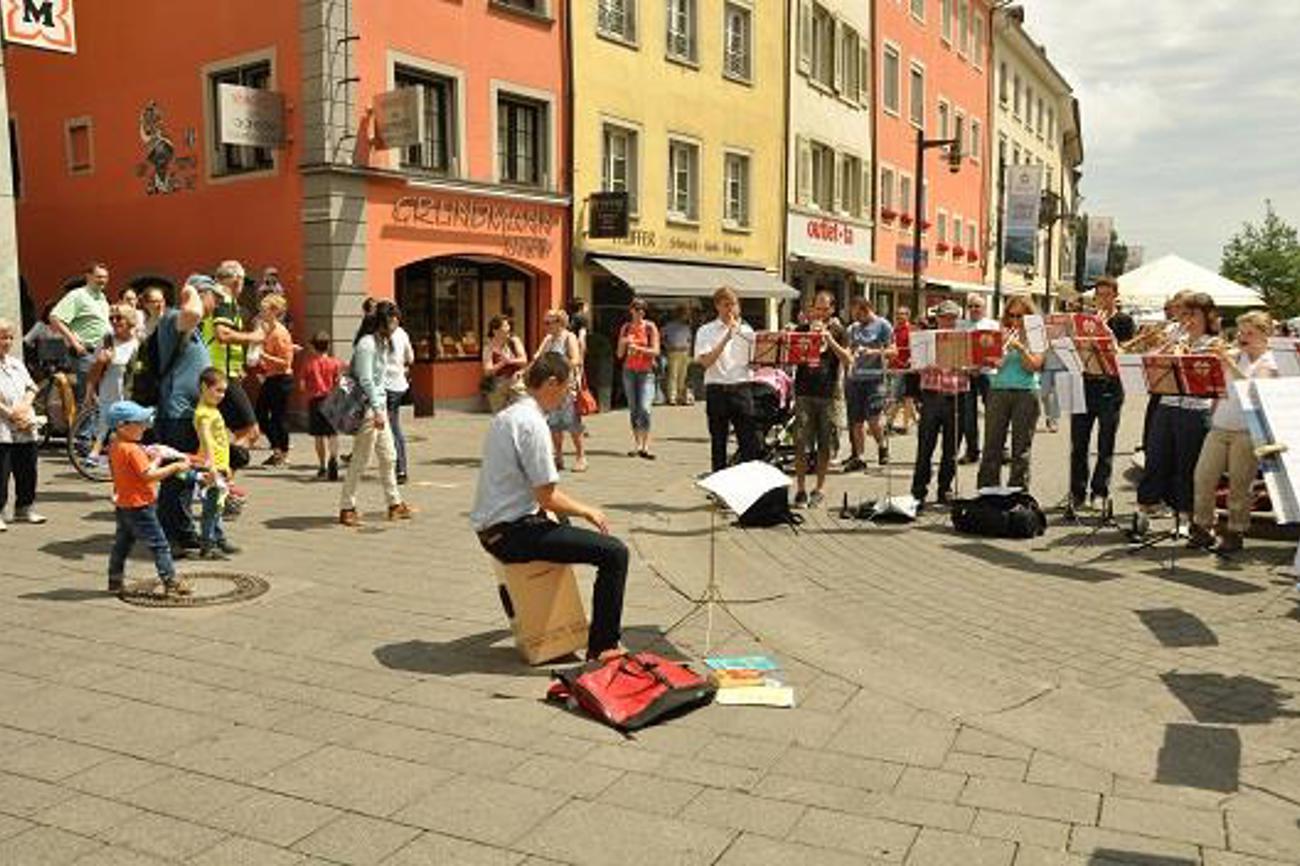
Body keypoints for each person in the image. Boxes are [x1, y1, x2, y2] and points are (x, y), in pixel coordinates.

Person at [471, 351, 628, 661]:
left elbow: (539, 495)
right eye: (569, 388)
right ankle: (603, 646)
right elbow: (547, 497)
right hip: (511, 535)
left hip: (492, 527)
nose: (570, 394)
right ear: (552, 383)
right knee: (614, 553)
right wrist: (588, 510)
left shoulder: (509, 414)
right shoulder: (534, 425)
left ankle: (558, 622)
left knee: (563, 525)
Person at [1190, 311, 1277, 553]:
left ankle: (1236, 532)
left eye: (1250, 333)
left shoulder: (1269, 362)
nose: (1243, 337)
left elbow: (1252, 389)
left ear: (1265, 335)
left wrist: (1227, 362)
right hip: (1219, 426)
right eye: (1241, 332)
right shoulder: (1235, 355)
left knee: (1240, 485)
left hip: (1246, 431)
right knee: (1203, 477)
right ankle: (1204, 527)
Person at [1135, 292, 1221, 534]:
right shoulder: (1177, 338)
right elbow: (1150, 364)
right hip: (1167, 405)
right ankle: (1143, 510)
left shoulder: (1213, 344)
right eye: (1183, 314)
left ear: (1206, 316)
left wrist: (1185, 355)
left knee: (1186, 466)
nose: (1186, 320)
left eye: (1192, 314)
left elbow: (1210, 377)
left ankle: (1184, 516)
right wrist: (1164, 348)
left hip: (1196, 411)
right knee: (1156, 458)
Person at [106, 400, 195, 595]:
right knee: (160, 544)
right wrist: (175, 467)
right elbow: (148, 476)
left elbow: (139, 471)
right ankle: (170, 580)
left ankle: (114, 580)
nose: (145, 427)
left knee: (122, 543)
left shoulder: (115, 445)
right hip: (140, 506)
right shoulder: (133, 449)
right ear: (123, 426)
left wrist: (155, 459)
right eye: (139, 423)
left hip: (123, 504)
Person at [155, 275, 216, 556]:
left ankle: (182, 532)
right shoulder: (176, 318)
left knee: (184, 477)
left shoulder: (194, 329)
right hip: (176, 413)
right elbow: (193, 310)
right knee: (176, 478)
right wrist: (190, 288)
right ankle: (172, 537)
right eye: (212, 295)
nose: (216, 301)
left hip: (187, 413)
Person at [339, 300, 412, 526]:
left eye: (397, 319)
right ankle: (347, 507)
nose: (396, 323)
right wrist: (379, 410)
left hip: (377, 407)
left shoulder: (382, 342)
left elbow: (379, 380)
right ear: (381, 321)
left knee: (389, 456)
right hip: (368, 409)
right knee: (361, 459)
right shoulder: (367, 344)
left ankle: (394, 504)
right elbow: (366, 379)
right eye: (392, 319)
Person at [1068, 275, 1134, 513]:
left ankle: (1099, 491)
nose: (1103, 300)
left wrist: (1104, 329)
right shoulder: (1085, 320)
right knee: (1078, 444)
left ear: (1116, 296)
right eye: (1099, 296)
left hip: (1110, 387)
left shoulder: (1124, 321)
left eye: (1107, 295)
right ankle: (1077, 492)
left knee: (1105, 445)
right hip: (1084, 384)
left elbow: (1124, 353)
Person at [976, 295, 1045, 491]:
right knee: (992, 445)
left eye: (1020, 316)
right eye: (1011, 315)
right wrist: (998, 350)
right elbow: (988, 363)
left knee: (1020, 448)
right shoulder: (998, 331)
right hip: (998, 390)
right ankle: (988, 491)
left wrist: (1021, 348)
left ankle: (1018, 492)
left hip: (1026, 392)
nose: (1015, 321)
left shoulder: (1036, 334)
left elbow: (1033, 366)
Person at [791, 292, 852, 508]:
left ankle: (820, 487)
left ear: (832, 310)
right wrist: (806, 339)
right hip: (804, 392)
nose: (820, 312)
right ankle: (799, 489)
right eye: (817, 308)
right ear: (812, 309)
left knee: (825, 444)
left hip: (828, 394)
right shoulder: (801, 330)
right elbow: (793, 358)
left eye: (825, 309)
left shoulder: (839, 331)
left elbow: (848, 360)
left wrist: (829, 339)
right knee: (800, 442)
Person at [911, 301, 968, 509]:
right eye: (944, 317)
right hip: (932, 395)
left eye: (952, 318)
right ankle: (918, 491)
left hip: (956, 395)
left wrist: (965, 366)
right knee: (925, 446)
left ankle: (945, 488)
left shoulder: (965, 339)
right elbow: (915, 366)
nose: (948, 321)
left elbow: (975, 368)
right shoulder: (925, 338)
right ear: (937, 318)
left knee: (951, 448)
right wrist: (927, 364)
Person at [202, 260, 265, 451]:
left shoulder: (216, 297)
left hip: (220, 371)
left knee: (230, 431)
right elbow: (223, 334)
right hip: (221, 374)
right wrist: (255, 336)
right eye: (243, 281)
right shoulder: (224, 299)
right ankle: (220, 473)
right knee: (250, 431)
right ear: (237, 279)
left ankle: (218, 474)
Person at [695, 286, 758, 473]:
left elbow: (753, 363)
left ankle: (750, 488)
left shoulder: (747, 330)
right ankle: (719, 489)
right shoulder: (706, 331)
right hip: (717, 389)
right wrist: (726, 338)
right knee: (718, 443)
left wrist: (758, 361)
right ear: (717, 306)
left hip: (741, 388)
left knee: (749, 442)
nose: (731, 309)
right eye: (726, 305)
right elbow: (706, 362)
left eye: (734, 304)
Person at [0, 318, 45, 531]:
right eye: (2, 337)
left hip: (25, 424)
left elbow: (32, 387)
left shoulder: (15, 363)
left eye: (9, 337)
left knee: (27, 469)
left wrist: (24, 407)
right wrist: (10, 413)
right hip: (3, 426)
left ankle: (24, 507)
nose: (6, 341)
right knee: (2, 471)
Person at [84, 303, 141, 465]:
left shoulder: (139, 343)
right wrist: (100, 363)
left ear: (130, 320)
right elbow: (93, 372)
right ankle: (98, 452)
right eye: (111, 318)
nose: (114, 321)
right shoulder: (107, 340)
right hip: (109, 392)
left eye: (119, 318)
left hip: (130, 394)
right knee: (106, 426)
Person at [50, 262, 113, 403]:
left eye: (105, 277)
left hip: (101, 353)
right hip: (85, 354)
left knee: (98, 397)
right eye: (99, 277)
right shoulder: (77, 295)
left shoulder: (102, 297)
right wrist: (74, 342)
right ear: (88, 276)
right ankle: (85, 425)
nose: (103, 280)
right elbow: (55, 317)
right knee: (86, 398)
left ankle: (96, 424)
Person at [844, 297, 894, 470]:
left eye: (858, 313)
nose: (855, 317)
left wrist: (872, 351)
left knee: (873, 419)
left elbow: (893, 351)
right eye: (853, 313)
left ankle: (882, 446)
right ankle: (859, 456)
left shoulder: (883, 325)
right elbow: (848, 351)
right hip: (854, 379)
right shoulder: (852, 328)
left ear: (866, 310)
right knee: (856, 421)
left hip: (875, 378)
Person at [194, 368, 240, 559]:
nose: (221, 395)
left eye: (223, 391)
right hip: (210, 467)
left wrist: (226, 465)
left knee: (218, 505)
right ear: (205, 387)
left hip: (219, 465)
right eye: (218, 390)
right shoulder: (204, 413)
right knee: (211, 508)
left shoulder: (212, 409)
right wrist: (212, 467)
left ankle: (218, 538)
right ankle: (208, 545)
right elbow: (207, 441)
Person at [534, 309, 587, 472]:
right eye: (545, 323)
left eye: (549, 322)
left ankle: (581, 457)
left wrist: (558, 366)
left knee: (572, 423)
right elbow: (538, 357)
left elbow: (576, 360)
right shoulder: (549, 339)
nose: (546, 326)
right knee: (554, 423)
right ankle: (558, 457)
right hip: (550, 388)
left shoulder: (568, 337)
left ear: (560, 322)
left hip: (566, 387)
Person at [250, 293, 295, 467]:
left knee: (278, 418)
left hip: (282, 379)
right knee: (260, 414)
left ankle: (283, 453)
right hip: (271, 377)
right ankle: (277, 449)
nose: (261, 311)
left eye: (264, 309)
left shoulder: (280, 332)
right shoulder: (266, 328)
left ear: (275, 311)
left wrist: (264, 355)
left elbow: (286, 363)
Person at [617, 298, 661, 460]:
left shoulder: (650, 327)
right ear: (631, 310)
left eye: (642, 309)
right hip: (629, 371)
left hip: (646, 372)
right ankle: (638, 445)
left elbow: (656, 351)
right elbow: (619, 354)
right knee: (634, 409)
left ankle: (646, 444)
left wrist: (639, 348)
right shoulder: (626, 328)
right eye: (636, 309)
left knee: (645, 408)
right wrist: (623, 343)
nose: (640, 312)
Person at [958, 293, 998, 464]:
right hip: (967, 374)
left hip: (988, 373)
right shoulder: (961, 326)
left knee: (994, 413)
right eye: (971, 306)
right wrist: (967, 368)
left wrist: (980, 367)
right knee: (968, 415)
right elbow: (957, 350)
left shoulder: (992, 325)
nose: (973, 309)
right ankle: (972, 451)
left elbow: (995, 351)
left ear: (984, 308)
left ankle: (995, 450)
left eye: (977, 306)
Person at [301, 331, 344, 480]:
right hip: (332, 400)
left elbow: (302, 385)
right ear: (328, 346)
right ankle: (334, 459)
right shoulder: (336, 363)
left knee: (319, 436)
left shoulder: (309, 364)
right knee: (333, 434)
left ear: (313, 347)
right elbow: (340, 382)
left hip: (315, 401)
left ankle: (322, 466)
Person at [384, 306, 415, 483]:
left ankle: (399, 467)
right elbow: (411, 358)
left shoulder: (379, 335)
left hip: (386, 386)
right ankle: (400, 467)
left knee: (391, 427)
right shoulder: (402, 333)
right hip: (398, 385)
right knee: (392, 426)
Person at [482, 315, 527, 413]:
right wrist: (502, 363)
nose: (508, 329)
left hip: (516, 383)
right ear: (495, 331)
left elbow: (524, 360)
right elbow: (488, 371)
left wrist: (509, 360)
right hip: (498, 385)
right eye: (505, 326)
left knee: (520, 412)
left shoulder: (514, 341)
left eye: (508, 326)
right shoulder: (488, 348)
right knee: (500, 417)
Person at [885, 306, 917, 434]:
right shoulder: (894, 330)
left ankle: (890, 424)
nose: (899, 316)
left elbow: (914, 348)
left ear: (908, 316)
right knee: (905, 397)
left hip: (904, 369)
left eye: (902, 314)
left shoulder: (912, 330)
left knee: (897, 397)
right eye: (897, 314)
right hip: (893, 367)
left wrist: (909, 361)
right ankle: (912, 422)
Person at [662, 306, 694, 406]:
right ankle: (672, 397)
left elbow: (689, 340)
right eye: (685, 314)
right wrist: (667, 346)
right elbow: (662, 337)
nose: (686, 316)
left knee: (683, 375)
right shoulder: (669, 325)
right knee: (673, 375)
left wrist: (689, 350)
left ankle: (680, 396)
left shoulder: (686, 327)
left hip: (684, 352)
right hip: (673, 351)